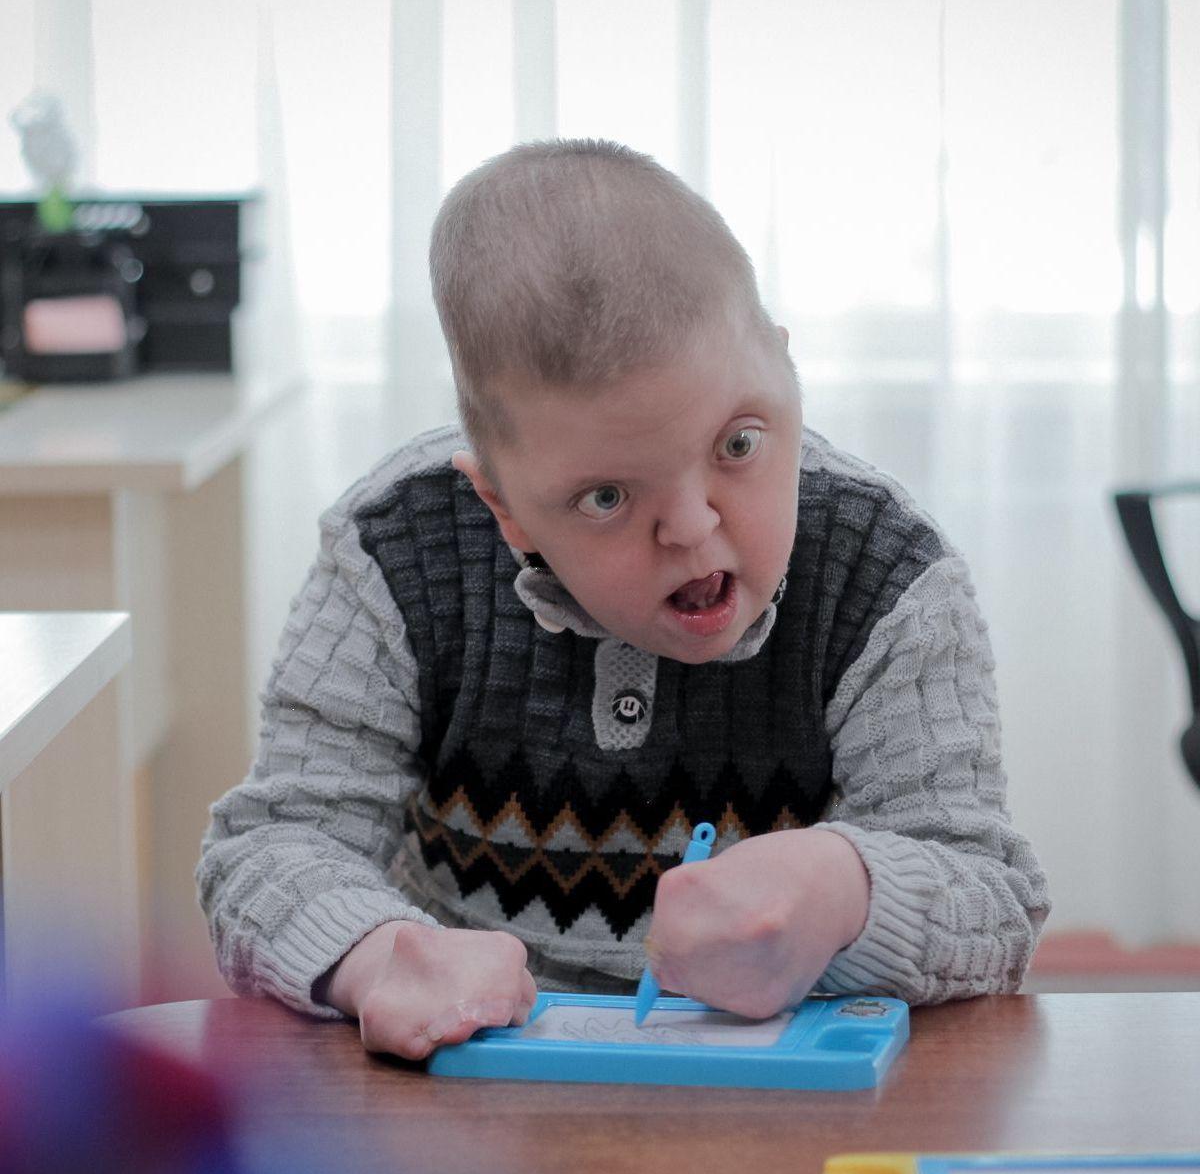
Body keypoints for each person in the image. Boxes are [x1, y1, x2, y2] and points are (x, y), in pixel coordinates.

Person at [197, 138, 1050, 1061]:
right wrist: (381, 955)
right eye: (605, 498)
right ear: (504, 506)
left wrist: (851, 887)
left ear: (789, 376)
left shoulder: (889, 577)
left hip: (788, 1097)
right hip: (469, 1095)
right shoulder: (393, 552)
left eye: (739, 444)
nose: (690, 527)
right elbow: (270, 846)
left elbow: (993, 901)